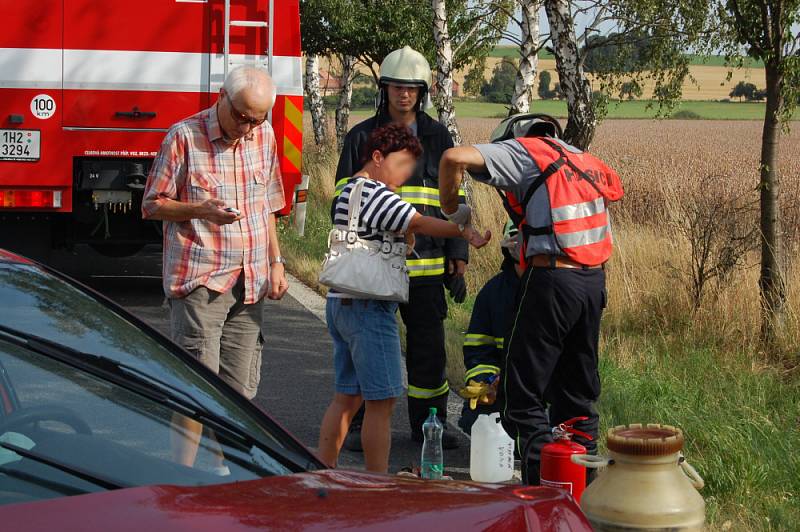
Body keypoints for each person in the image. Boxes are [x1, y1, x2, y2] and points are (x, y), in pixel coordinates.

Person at [438, 113, 623, 484]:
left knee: (520, 398)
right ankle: (579, 491)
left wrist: (452, 212)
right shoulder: (581, 160)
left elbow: (452, 159)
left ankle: (541, 490)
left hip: (552, 280)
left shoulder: (525, 152)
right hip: (593, 284)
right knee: (577, 396)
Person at [317, 123, 490, 473]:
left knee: (347, 397)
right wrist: (463, 232)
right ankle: (378, 484)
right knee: (382, 401)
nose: (407, 173)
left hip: (341, 301)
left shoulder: (351, 190)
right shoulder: (378, 194)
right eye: (402, 164)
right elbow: (420, 223)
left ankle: (322, 471)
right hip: (369, 306)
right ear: (377, 156)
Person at [142, 66, 289, 468]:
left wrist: (277, 262)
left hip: (251, 280)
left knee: (238, 392)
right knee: (195, 389)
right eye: (241, 115)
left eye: (255, 119)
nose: (246, 126)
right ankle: (183, 480)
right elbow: (152, 204)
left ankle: (223, 474)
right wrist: (199, 209)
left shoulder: (266, 135)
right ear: (221, 98)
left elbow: (269, 205)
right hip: (201, 280)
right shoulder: (184, 136)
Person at [335, 46, 468, 451]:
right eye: (396, 87)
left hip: (425, 268)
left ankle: (430, 424)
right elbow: (343, 199)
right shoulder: (361, 136)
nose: (403, 95)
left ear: (422, 92)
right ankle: (359, 424)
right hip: (372, 270)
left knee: (428, 351)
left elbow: (455, 200)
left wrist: (459, 257)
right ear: (384, 89)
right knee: (366, 347)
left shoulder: (439, 136)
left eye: (411, 88)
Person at [458, 222, 524, 434]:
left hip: (543, 393)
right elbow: (478, 350)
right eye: (517, 242)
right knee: (475, 421)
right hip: (501, 389)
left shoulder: (554, 290)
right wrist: (487, 382)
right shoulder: (493, 293)